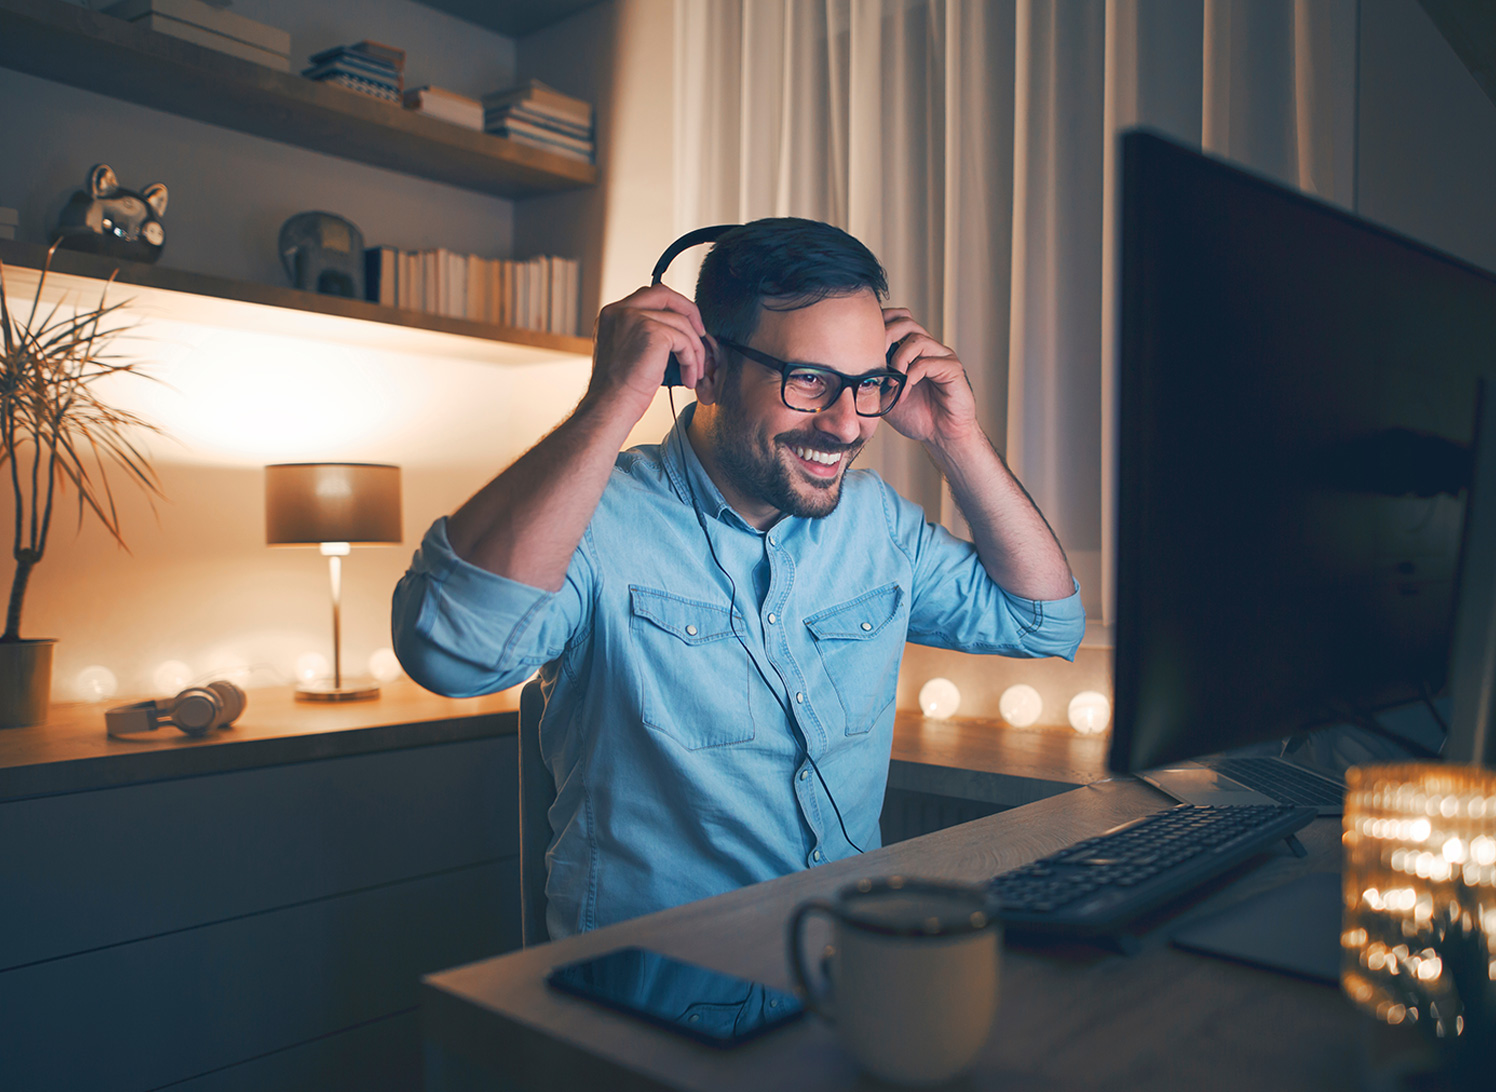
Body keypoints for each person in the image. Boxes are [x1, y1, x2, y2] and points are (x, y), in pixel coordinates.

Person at [392, 218, 1084, 939]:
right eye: (811, 379)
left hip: (843, 973)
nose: (847, 425)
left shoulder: (876, 523)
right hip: (659, 1005)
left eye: (868, 384)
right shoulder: (595, 520)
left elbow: (1043, 621)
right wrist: (611, 401)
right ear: (708, 368)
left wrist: (955, 436)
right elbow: (447, 655)